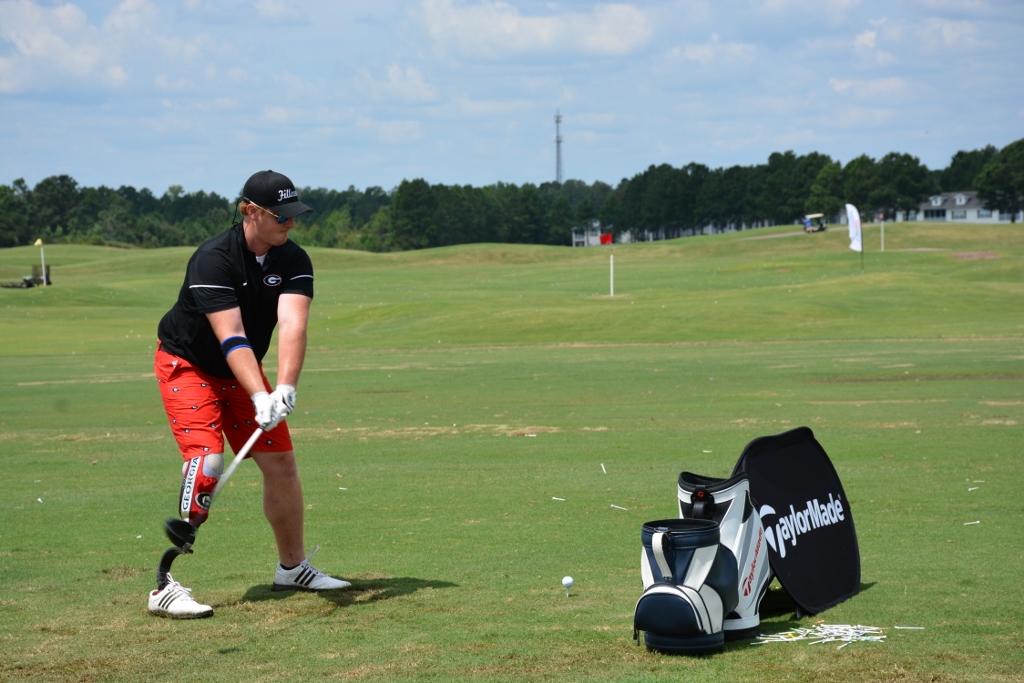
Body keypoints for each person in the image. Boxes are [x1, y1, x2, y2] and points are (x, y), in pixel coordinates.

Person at [148, 170, 349, 619]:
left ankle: (292, 568)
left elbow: (293, 324)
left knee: (281, 462)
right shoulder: (212, 260)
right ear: (249, 211)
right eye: (281, 216)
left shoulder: (293, 258)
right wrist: (260, 395)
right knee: (207, 463)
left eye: (294, 216)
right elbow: (232, 337)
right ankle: (163, 586)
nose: (290, 224)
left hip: (242, 373)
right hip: (189, 365)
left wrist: (285, 387)